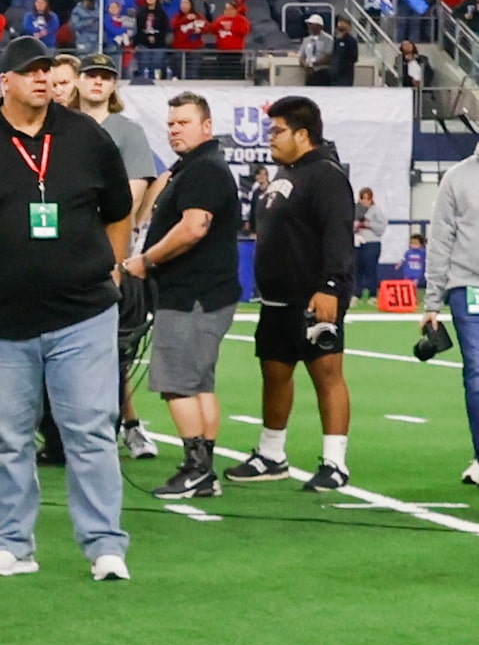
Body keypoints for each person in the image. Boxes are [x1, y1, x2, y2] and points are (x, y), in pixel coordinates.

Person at [0, 34, 135, 583]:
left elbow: (118, 208)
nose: (42, 78)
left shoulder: (86, 135)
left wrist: (110, 265)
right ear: (4, 82)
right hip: (4, 318)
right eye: (29, 70)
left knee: (89, 430)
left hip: (82, 312)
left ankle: (106, 545)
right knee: (7, 438)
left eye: (47, 69)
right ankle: (13, 543)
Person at [227, 95, 355, 491]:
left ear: (302, 134)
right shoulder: (284, 174)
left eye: (277, 130)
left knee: (327, 374)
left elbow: (338, 235)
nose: (271, 138)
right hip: (277, 299)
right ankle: (272, 454)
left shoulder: (326, 175)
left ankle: (335, 463)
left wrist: (330, 286)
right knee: (274, 373)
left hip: (312, 297)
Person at [126, 92, 244, 500]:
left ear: (206, 126)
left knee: (178, 384)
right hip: (204, 293)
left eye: (184, 122)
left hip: (192, 294)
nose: (175, 129)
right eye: (172, 123)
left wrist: (146, 260)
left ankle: (196, 468)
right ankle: (203, 470)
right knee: (199, 384)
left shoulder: (203, 170)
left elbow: (194, 226)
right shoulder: (195, 166)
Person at [77, 56, 163, 462]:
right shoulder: (61, 126)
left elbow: (128, 198)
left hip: (105, 253)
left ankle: (129, 425)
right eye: (91, 75)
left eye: (105, 77)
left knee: (114, 350)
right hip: (60, 252)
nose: (97, 82)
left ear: (114, 86)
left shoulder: (126, 131)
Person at [423, 145, 479, 486]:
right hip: (468, 288)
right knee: (477, 372)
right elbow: (440, 239)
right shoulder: (457, 178)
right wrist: (433, 302)